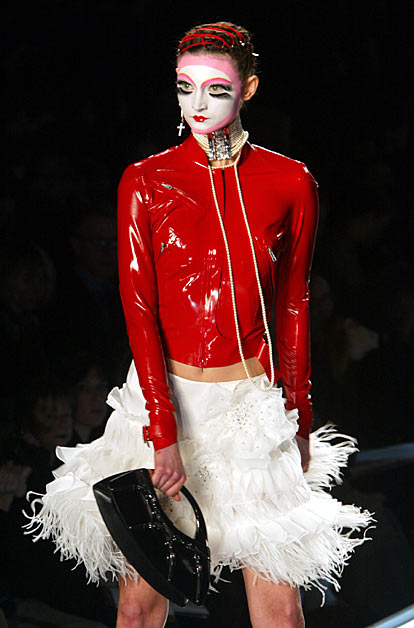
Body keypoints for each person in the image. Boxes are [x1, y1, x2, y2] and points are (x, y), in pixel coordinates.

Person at [26, 22, 373, 628]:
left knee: (281, 613)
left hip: (249, 408)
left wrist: (299, 416)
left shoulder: (290, 182)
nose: (197, 104)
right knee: (138, 608)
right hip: (164, 399)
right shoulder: (146, 180)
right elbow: (139, 308)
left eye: (216, 89)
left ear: (249, 89)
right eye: (185, 88)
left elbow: (293, 305)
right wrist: (162, 429)